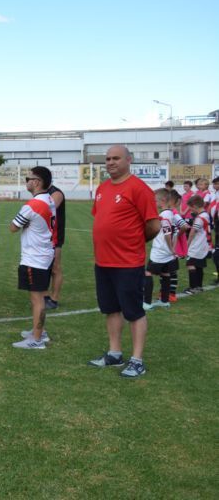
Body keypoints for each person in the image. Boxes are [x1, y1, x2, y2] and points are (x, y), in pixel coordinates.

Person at [88, 145, 160, 378]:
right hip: (103, 262)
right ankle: (115, 353)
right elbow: (101, 219)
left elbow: (154, 225)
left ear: (128, 160)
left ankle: (137, 360)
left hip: (128, 262)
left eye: (116, 158)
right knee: (111, 309)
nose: (110, 162)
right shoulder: (103, 188)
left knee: (133, 311)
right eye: (107, 158)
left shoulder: (139, 188)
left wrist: (136, 241)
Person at [8, 166, 56, 350]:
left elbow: (13, 227)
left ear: (37, 182)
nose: (26, 181)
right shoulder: (49, 200)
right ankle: (39, 332)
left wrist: (24, 223)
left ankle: (36, 338)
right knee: (39, 297)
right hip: (44, 254)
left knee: (37, 299)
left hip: (34, 257)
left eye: (28, 178)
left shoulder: (32, 205)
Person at [144, 188, 184, 310]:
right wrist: (172, 249)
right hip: (168, 253)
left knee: (147, 273)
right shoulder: (172, 214)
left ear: (162, 201)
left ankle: (146, 303)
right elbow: (176, 232)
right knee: (165, 273)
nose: (154, 203)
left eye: (155, 201)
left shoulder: (164, 215)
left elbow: (167, 234)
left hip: (160, 251)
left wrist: (171, 248)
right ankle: (165, 301)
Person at [44, 179, 66, 310]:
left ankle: (54, 299)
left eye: (33, 179)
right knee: (43, 266)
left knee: (55, 268)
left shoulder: (56, 193)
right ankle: (45, 296)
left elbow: (48, 210)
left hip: (55, 236)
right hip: (43, 236)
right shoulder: (42, 193)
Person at [183, 195, 211, 295]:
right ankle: (199, 286)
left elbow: (192, 232)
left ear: (194, 206)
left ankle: (193, 288)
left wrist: (187, 244)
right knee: (199, 266)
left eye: (190, 207)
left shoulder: (199, 218)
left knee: (191, 264)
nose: (190, 210)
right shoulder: (206, 215)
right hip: (203, 245)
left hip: (196, 245)